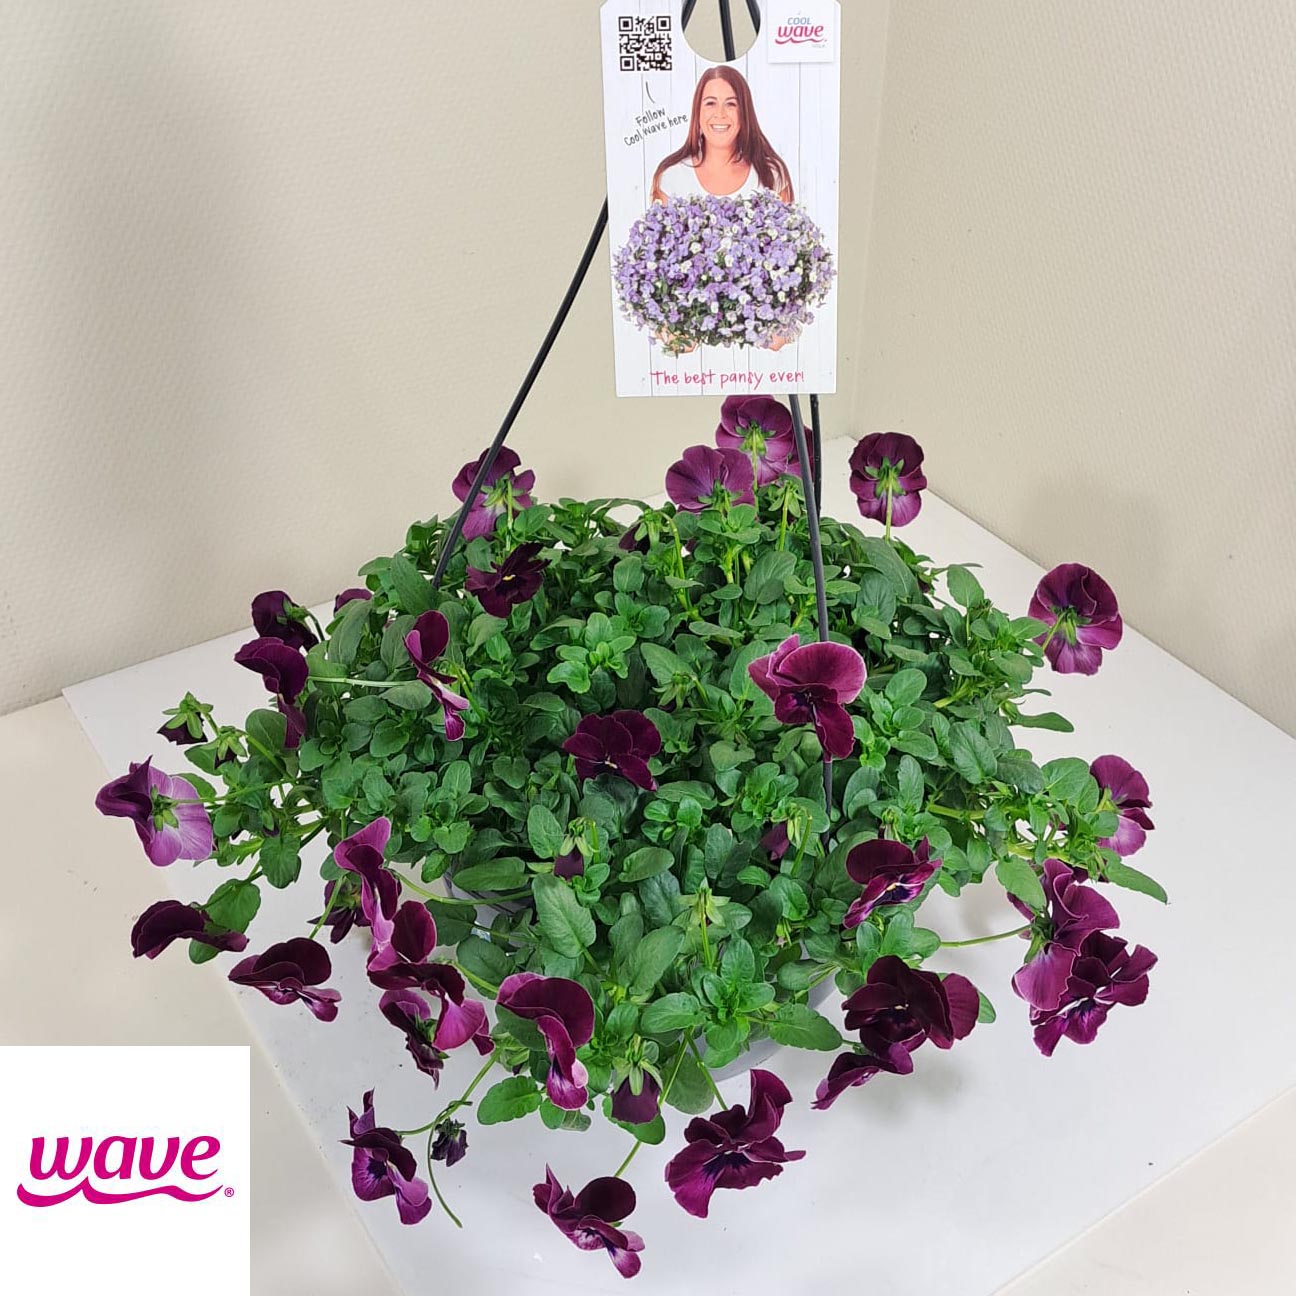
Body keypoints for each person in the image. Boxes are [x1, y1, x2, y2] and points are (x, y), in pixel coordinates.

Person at [651, 65, 793, 205]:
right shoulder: (672, 177)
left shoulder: (771, 174)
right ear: (698, 111)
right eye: (710, 103)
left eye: (731, 104)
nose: (720, 114)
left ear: (744, 112)